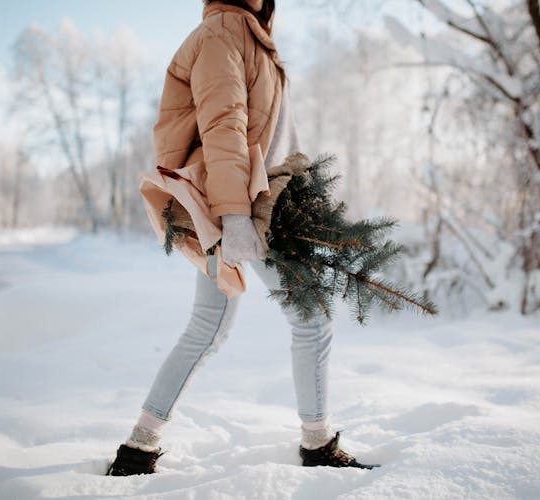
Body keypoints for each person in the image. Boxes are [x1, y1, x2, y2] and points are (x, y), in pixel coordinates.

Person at [107, 0, 377, 476]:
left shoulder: (248, 34)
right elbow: (223, 126)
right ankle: (316, 444)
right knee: (310, 320)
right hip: (249, 206)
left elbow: (265, 130)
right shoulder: (222, 33)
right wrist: (234, 217)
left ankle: (140, 446)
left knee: (207, 328)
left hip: (258, 198)